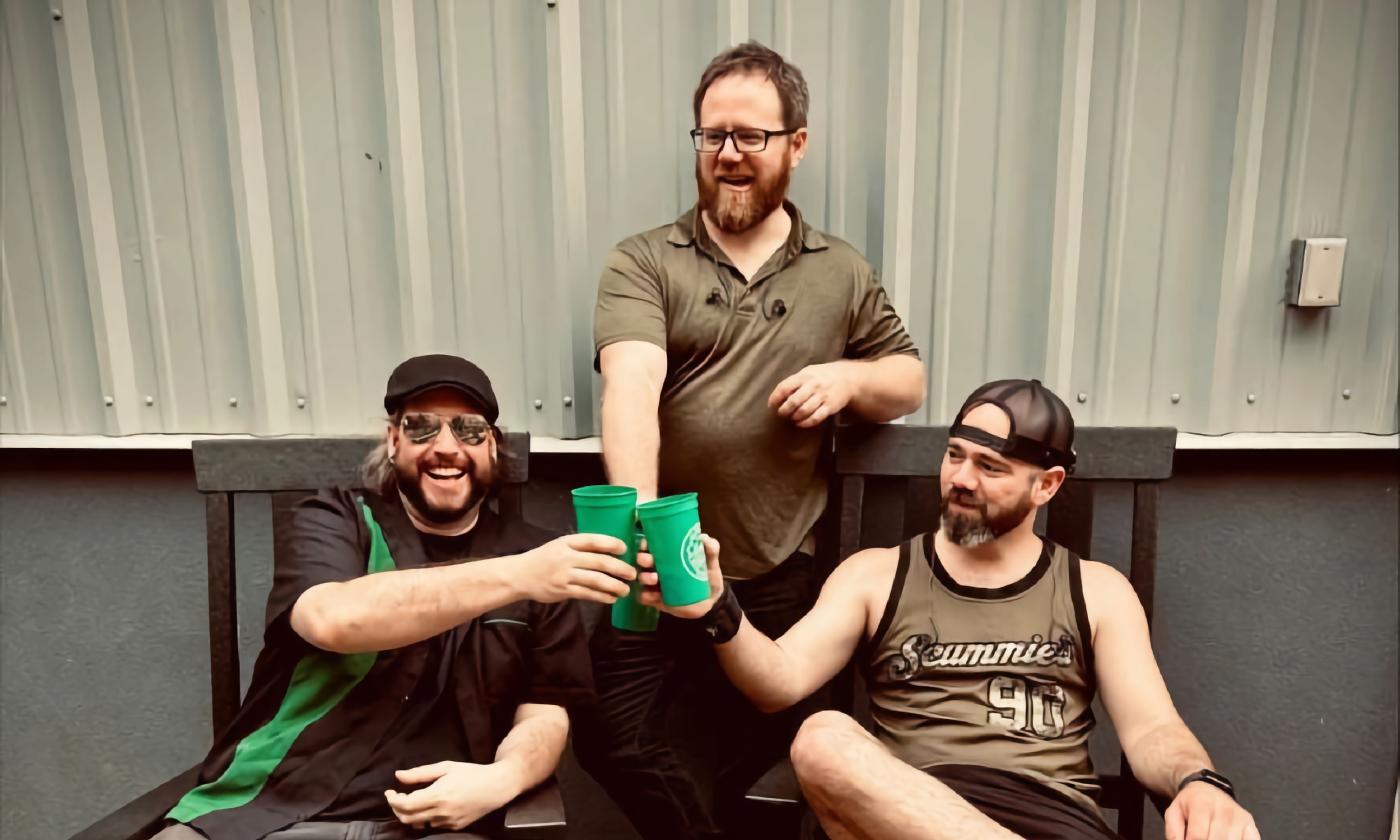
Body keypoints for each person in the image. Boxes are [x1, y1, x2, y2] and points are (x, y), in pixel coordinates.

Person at [642, 379, 1262, 840]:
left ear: (1046, 486)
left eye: (990, 467)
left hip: (1050, 815)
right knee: (822, 737)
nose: (960, 479)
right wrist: (716, 607)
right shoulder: (875, 576)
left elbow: (1153, 730)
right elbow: (776, 683)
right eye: (955, 455)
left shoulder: (1096, 591)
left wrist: (1199, 782)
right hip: (901, 813)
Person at [578, 40, 926, 839]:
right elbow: (630, 389)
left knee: (792, 742)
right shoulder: (644, 260)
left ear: (795, 145)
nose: (729, 156)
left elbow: (907, 377)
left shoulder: (838, 271)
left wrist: (848, 380)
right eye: (713, 137)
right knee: (607, 728)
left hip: (775, 575)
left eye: (751, 137)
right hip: (661, 565)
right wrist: (644, 530)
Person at [151, 355, 637, 840]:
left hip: (433, 824)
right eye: (422, 427)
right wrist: (523, 574)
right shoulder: (337, 518)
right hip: (273, 809)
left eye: (469, 430)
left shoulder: (537, 558)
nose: (446, 448)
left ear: (492, 447)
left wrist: (501, 779)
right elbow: (333, 620)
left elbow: (547, 709)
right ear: (392, 440)